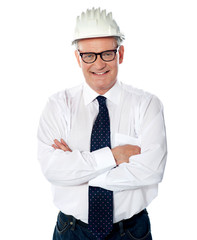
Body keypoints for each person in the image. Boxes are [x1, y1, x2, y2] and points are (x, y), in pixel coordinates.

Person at [37, 7, 167, 240]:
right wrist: (114, 157)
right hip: (71, 231)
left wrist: (79, 173)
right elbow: (52, 168)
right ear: (78, 57)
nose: (99, 64)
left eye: (107, 53)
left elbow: (151, 170)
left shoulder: (147, 105)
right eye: (89, 55)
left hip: (130, 232)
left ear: (121, 54)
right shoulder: (58, 106)